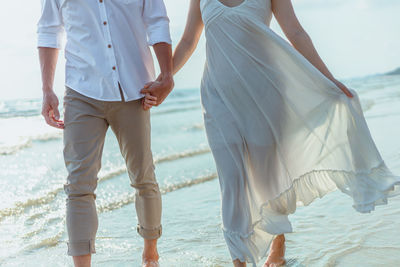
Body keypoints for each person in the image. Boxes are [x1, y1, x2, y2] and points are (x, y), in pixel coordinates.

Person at [141, 0, 400, 266]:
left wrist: (328, 78)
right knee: (232, 183)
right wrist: (164, 77)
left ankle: (278, 244)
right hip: (218, 97)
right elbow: (187, 41)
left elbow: (296, 32)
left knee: (268, 179)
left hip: (265, 94)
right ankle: (239, 259)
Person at [37, 0, 174, 266]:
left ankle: (150, 256)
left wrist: (166, 75)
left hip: (135, 88)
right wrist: (47, 90)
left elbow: (157, 21)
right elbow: (48, 31)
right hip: (81, 91)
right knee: (78, 185)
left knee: (143, 176)